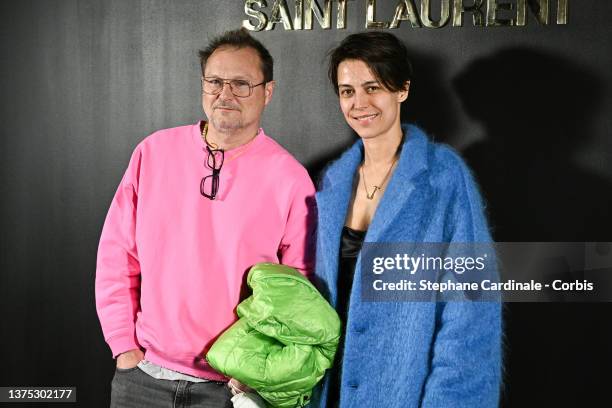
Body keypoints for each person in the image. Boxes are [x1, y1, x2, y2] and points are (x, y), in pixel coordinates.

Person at [95, 28, 316, 408]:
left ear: (268, 91)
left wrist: (257, 368)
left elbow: (298, 291)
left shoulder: (290, 178)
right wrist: (123, 348)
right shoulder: (154, 153)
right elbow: (117, 257)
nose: (225, 94)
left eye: (241, 84)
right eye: (215, 81)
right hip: (143, 380)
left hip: (233, 391)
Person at [313, 32, 501, 407]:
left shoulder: (443, 176)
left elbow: (470, 310)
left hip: (403, 393)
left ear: (402, 90)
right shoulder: (331, 182)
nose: (359, 103)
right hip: (326, 392)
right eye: (347, 91)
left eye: (372, 87)